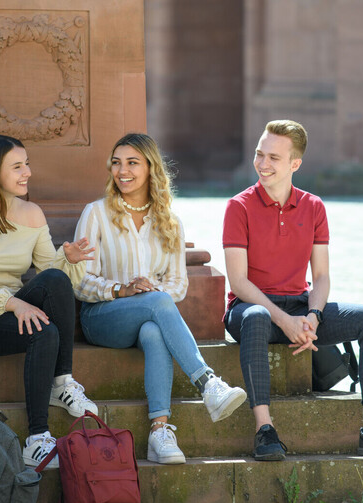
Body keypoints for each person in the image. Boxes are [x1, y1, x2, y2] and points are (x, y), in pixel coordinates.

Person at [222, 120, 363, 461]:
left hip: (299, 306)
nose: (263, 164)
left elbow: (321, 276)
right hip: (251, 309)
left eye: (274, 158)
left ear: (295, 164)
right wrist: (285, 321)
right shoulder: (239, 206)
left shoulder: (313, 207)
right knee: (256, 317)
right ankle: (264, 431)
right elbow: (239, 282)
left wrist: (312, 316)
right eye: (259, 154)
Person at [73, 132, 247, 465]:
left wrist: (151, 290)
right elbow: (80, 282)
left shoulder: (169, 222)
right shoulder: (96, 213)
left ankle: (159, 432)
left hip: (148, 320)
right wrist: (122, 290)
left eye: (133, 163)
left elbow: (178, 284)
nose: (123, 171)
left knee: (155, 328)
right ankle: (207, 382)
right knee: (157, 302)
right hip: (102, 317)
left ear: (151, 168)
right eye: (117, 163)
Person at [0, 134, 96, 469]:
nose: (27, 172)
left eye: (26, 163)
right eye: (17, 166)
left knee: (54, 288)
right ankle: (40, 437)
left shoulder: (33, 214)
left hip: (12, 308)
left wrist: (68, 259)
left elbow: (51, 279)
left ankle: (62, 383)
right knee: (46, 331)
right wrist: (13, 304)